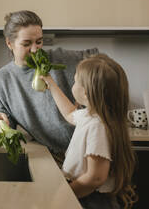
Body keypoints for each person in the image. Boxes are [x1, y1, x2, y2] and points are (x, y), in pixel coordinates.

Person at [0, 10, 97, 156]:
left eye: (39, 42)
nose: (34, 49)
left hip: (88, 151)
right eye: (26, 44)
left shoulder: (60, 58)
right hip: (53, 156)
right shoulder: (3, 78)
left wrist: (89, 98)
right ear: (9, 43)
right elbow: (0, 118)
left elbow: (99, 62)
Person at [40, 54, 137, 208]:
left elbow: (95, 178)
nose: (73, 82)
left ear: (85, 93)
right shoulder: (90, 115)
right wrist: (51, 83)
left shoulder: (97, 127)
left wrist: (64, 194)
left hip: (92, 199)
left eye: (76, 80)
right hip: (86, 193)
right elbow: (69, 114)